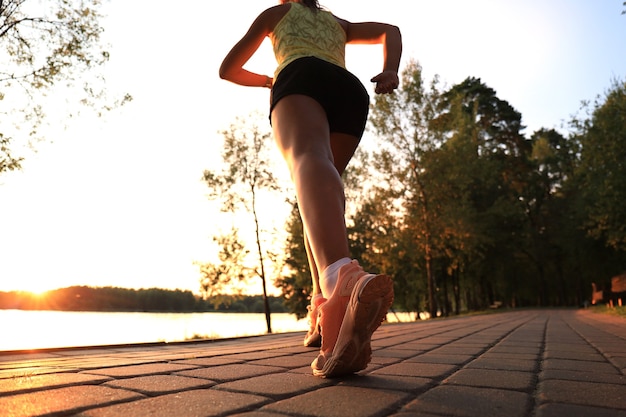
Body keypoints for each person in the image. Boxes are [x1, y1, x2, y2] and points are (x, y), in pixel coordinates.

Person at [219, 0, 402, 378]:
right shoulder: (339, 23)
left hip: (300, 76)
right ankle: (322, 311)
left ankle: (342, 282)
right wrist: (390, 71)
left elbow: (229, 70)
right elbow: (391, 31)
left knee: (307, 159)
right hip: (349, 90)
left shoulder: (277, 13)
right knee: (321, 186)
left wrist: (270, 80)